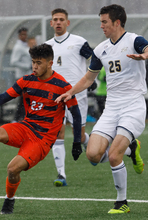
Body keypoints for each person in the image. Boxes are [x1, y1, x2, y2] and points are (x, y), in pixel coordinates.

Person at [0, 44, 82, 215]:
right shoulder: (27, 80)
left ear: (50, 63)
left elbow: (76, 115)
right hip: (25, 127)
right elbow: (3, 97)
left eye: (39, 63)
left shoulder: (62, 86)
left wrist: (77, 141)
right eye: (33, 62)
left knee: (12, 169)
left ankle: (9, 199)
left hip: (42, 140)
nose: (34, 66)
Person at [55, 4, 148, 214]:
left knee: (113, 156)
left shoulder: (134, 40)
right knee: (92, 155)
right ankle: (132, 149)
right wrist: (70, 92)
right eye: (100, 21)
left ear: (117, 22)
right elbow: (88, 78)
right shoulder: (101, 49)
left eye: (104, 22)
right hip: (111, 108)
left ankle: (122, 202)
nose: (101, 25)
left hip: (133, 106)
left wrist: (143, 56)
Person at [45, 8, 96, 187]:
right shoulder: (47, 46)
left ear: (67, 23)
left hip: (77, 94)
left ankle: (92, 150)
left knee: (79, 135)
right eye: (55, 19)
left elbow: (95, 59)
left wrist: (92, 80)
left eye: (61, 19)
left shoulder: (79, 42)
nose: (58, 22)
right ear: (51, 23)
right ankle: (61, 174)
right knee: (57, 132)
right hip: (55, 96)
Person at [10, 27, 32, 122]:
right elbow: (13, 62)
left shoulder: (25, 46)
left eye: (26, 34)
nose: (25, 36)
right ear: (19, 36)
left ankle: (20, 118)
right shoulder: (18, 47)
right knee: (23, 99)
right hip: (21, 77)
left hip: (27, 76)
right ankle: (17, 118)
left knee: (24, 99)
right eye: (23, 34)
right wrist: (27, 65)